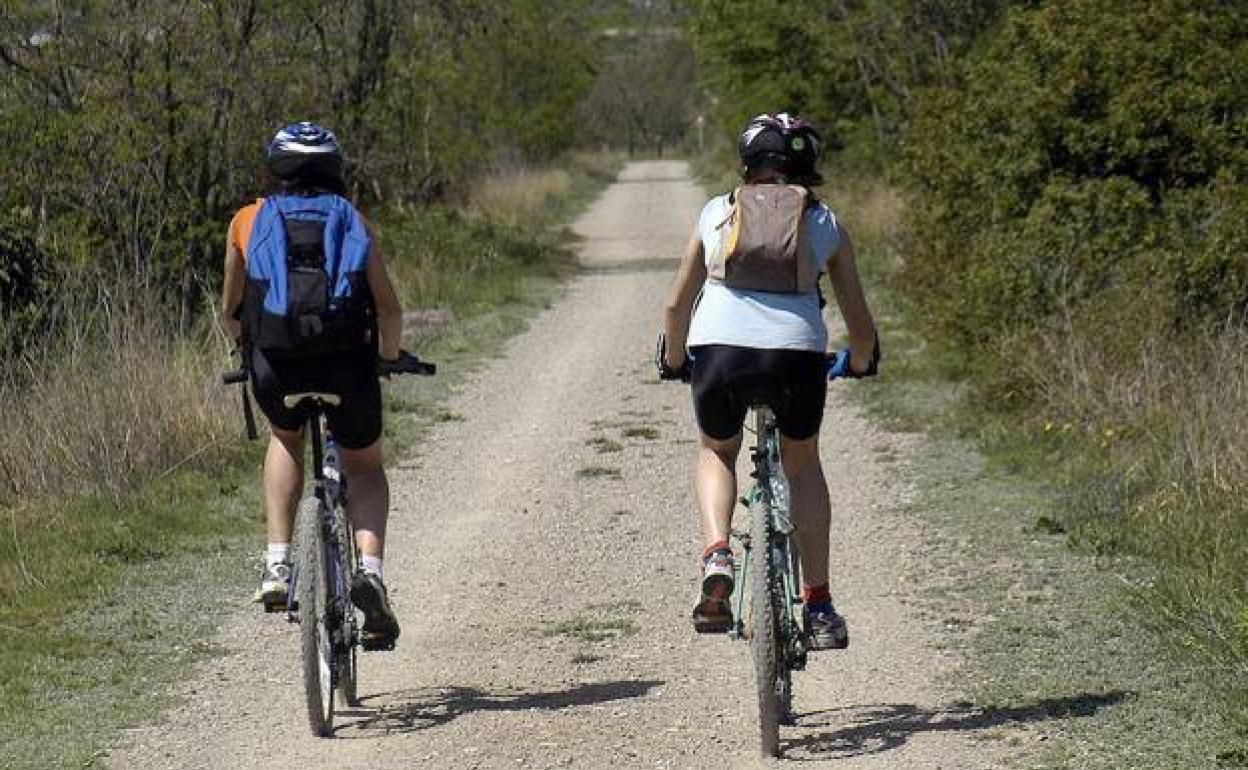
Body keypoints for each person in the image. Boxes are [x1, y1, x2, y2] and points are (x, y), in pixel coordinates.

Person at [659, 112, 879, 650]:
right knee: (802, 463)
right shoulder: (824, 222)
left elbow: (675, 302)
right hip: (797, 360)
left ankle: (717, 553)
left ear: (748, 164)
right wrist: (861, 359)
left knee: (716, 449)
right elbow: (858, 318)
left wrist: (673, 358)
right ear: (807, 168)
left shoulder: (717, 212)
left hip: (720, 357)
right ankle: (820, 605)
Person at [220, 122, 406, 648]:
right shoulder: (354, 221)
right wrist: (387, 359)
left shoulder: (248, 220)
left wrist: (247, 345)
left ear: (275, 167)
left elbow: (233, 310)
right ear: (334, 169)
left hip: (278, 365)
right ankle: (369, 571)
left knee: (286, 438)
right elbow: (389, 309)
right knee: (365, 467)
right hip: (347, 365)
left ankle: (279, 564)